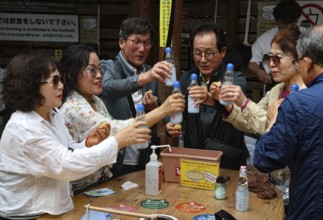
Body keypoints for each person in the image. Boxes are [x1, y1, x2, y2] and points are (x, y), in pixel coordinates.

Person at [0, 50, 151, 218]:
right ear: (32, 86)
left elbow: (67, 149)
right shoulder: (25, 129)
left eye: (60, 79)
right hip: (28, 215)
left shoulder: (52, 114)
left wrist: (86, 143)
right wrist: (116, 141)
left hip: (53, 209)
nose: (61, 86)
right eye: (54, 81)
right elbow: (66, 166)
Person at [60, 44, 185, 193]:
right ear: (70, 74)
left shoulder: (95, 100)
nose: (100, 75)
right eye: (92, 70)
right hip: (81, 187)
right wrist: (163, 110)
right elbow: (116, 129)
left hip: (100, 181)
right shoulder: (73, 107)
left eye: (100, 69)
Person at [211, 27, 305, 208]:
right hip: (272, 181)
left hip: (295, 182)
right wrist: (229, 105)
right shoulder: (277, 90)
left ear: (298, 61)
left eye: (278, 58)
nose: (271, 64)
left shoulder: (306, 95)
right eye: (269, 58)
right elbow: (253, 124)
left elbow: (276, 129)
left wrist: (245, 102)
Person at [254, 24, 323, 219]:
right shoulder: (281, 92)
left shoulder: (299, 102)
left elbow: (265, 158)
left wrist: (272, 122)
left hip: (313, 207)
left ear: (307, 62)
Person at [166, 23, 249, 170]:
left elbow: (240, 111)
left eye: (209, 53)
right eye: (198, 53)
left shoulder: (236, 79)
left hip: (226, 158)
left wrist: (211, 99)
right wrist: (170, 123)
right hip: (193, 155)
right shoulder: (186, 78)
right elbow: (176, 108)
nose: (203, 59)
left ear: (222, 52)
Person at [99, 17, 172, 177]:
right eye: (136, 42)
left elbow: (156, 106)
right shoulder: (108, 66)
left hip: (144, 156)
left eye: (146, 43)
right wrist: (145, 78)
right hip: (117, 160)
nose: (142, 48)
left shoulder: (148, 71)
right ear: (121, 42)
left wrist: (165, 121)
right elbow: (108, 88)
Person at [248, 0, 301, 87]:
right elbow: (252, 63)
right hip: (274, 85)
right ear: (276, 21)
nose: (289, 26)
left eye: (293, 22)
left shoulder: (306, 36)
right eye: (284, 23)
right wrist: (259, 72)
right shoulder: (264, 39)